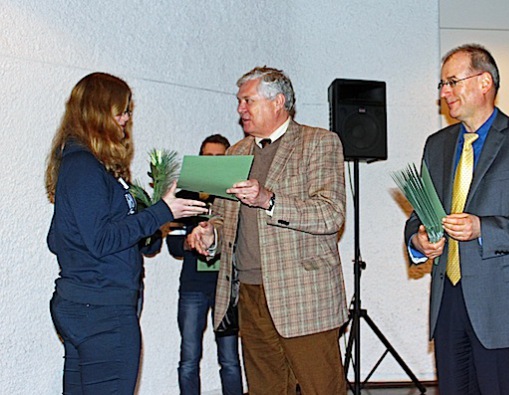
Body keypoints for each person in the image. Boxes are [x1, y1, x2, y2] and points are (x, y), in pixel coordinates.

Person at [404, 44, 509, 394]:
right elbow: (419, 215)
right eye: (442, 84)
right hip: (448, 305)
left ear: (484, 82)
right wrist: (418, 241)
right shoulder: (437, 145)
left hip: (506, 310)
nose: (444, 92)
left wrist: (483, 228)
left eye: (452, 81)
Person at [45, 72, 208, 394]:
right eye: (121, 111)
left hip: (86, 306)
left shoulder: (81, 163)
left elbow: (58, 238)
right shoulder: (85, 168)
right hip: (102, 312)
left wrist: (150, 225)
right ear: (97, 112)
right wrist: (161, 211)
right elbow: (101, 240)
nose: (126, 119)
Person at [188, 66, 348, 395]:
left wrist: (269, 200)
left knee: (323, 388)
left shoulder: (319, 142)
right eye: (239, 101)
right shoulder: (235, 152)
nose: (240, 109)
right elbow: (223, 218)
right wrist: (211, 235)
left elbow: (331, 214)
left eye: (247, 100)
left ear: (277, 102)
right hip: (248, 292)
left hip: (303, 296)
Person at [166, 134, 244, 395]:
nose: (213, 163)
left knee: (230, 360)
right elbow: (172, 245)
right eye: (208, 158)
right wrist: (190, 241)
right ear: (200, 159)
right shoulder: (185, 194)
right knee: (189, 358)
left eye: (220, 158)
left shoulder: (236, 197)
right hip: (193, 288)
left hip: (227, 287)